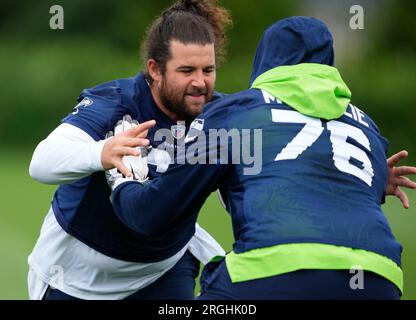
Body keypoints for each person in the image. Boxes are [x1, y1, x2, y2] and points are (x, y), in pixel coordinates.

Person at [109, 16, 416, 299]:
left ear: (265, 60)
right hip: (379, 276)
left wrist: (124, 178)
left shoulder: (238, 111)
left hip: (272, 272)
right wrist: (373, 181)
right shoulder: (366, 125)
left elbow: (154, 214)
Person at [28, 0, 231, 300]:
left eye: (208, 70)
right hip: (77, 275)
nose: (200, 83)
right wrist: (101, 153)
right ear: (155, 69)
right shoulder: (117, 102)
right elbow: (41, 162)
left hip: (163, 269)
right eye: (186, 70)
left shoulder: (221, 116)